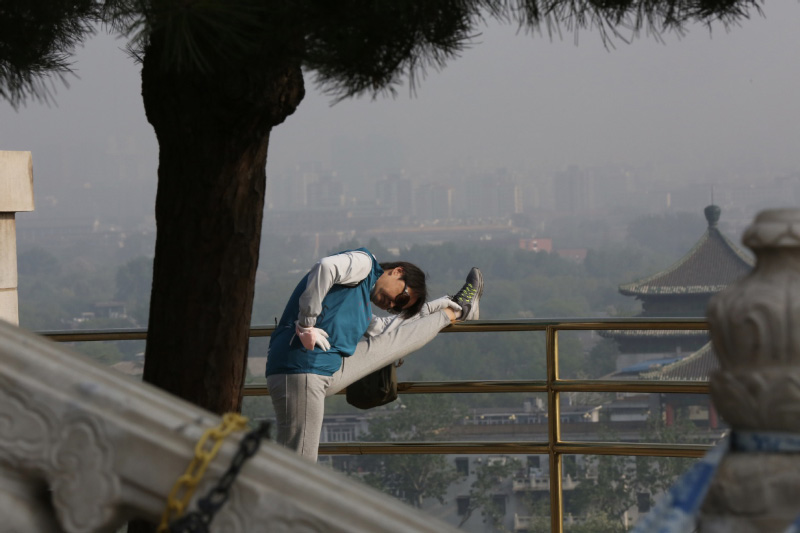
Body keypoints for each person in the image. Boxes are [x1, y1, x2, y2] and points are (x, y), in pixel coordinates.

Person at [265, 247, 483, 462]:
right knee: (299, 465)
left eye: (398, 307)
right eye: (400, 298)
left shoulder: (357, 303)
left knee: (390, 343)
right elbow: (325, 267)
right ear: (397, 271)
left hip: (318, 369)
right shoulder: (365, 262)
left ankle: (456, 307)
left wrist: (439, 305)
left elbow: (385, 329)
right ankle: (459, 310)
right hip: (303, 368)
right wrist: (306, 323)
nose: (391, 305)